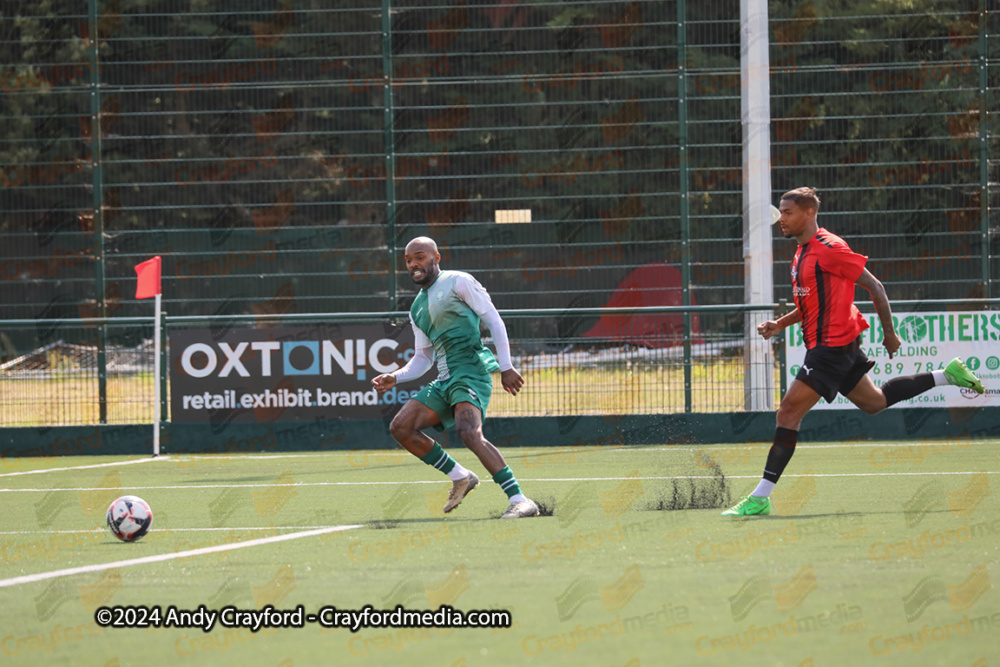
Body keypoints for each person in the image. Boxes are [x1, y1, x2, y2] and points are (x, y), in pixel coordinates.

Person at [723, 187, 985, 516]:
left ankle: (760, 497)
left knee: (788, 412)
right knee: (874, 402)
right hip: (833, 345)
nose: (781, 219)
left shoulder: (831, 248)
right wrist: (781, 323)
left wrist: (889, 334)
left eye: (788, 213)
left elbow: (875, 286)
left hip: (832, 348)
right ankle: (946, 375)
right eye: (781, 212)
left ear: (808, 214)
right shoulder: (800, 252)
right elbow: (811, 302)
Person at [372, 236, 539, 519]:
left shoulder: (458, 281)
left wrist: (506, 366)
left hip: (471, 373)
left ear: (437, 257)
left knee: (468, 432)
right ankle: (461, 476)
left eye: (420, 257)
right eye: (409, 260)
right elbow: (424, 357)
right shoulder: (416, 308)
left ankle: (520, 500)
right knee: (401, 426)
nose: (414, 264)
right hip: (445, 380)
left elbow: (493, 319)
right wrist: (395, 377)